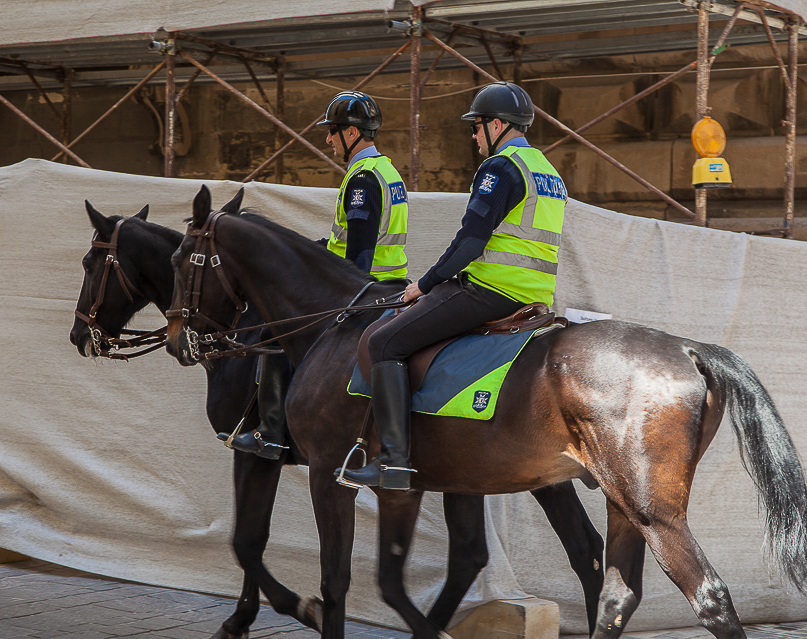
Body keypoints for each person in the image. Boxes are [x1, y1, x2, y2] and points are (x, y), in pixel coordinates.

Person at [338, 81, 568, 491]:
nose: (474, 135)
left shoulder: (501, 168)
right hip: (535, 295)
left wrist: (424, 285)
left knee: (384, 343)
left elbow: (470, 242)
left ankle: (392, 460)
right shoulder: (548, 172)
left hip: (489, 289)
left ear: (498, 125)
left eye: (477, 127)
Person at [230, 90, 409, 459]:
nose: (328, 139)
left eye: (333, 131)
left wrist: (340, 300)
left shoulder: (362, 180)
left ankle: (272, 432)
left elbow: (360, 252)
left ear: (352, 133)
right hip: (389, 284)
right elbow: (344, 242)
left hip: (364, 290)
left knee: (275, 331)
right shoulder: (386, 171)